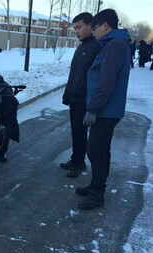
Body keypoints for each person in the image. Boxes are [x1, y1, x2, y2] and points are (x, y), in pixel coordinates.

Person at [76, 9, 132, 210]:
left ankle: (97, 194)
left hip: (106, 111)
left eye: (95, 27)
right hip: (107, 109)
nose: (93, 31)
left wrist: (93, 109)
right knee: (102, 151)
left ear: (106, 26)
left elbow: (106, 82)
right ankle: (95, 185)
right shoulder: (113, 44)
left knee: (95, 151)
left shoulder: (115, 45)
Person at [60, 12, 99, 178]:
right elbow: (74, 74)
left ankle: (79, 163)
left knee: (80, 132)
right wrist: (67, 93)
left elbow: (97, 77)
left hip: (85, 100)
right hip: (75, 98)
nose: (76, 31)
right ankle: (75, 159)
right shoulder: (81, 47)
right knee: (75, 131)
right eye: (74, 28)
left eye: (79, 27)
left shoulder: (96, 47)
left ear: (90, 26)